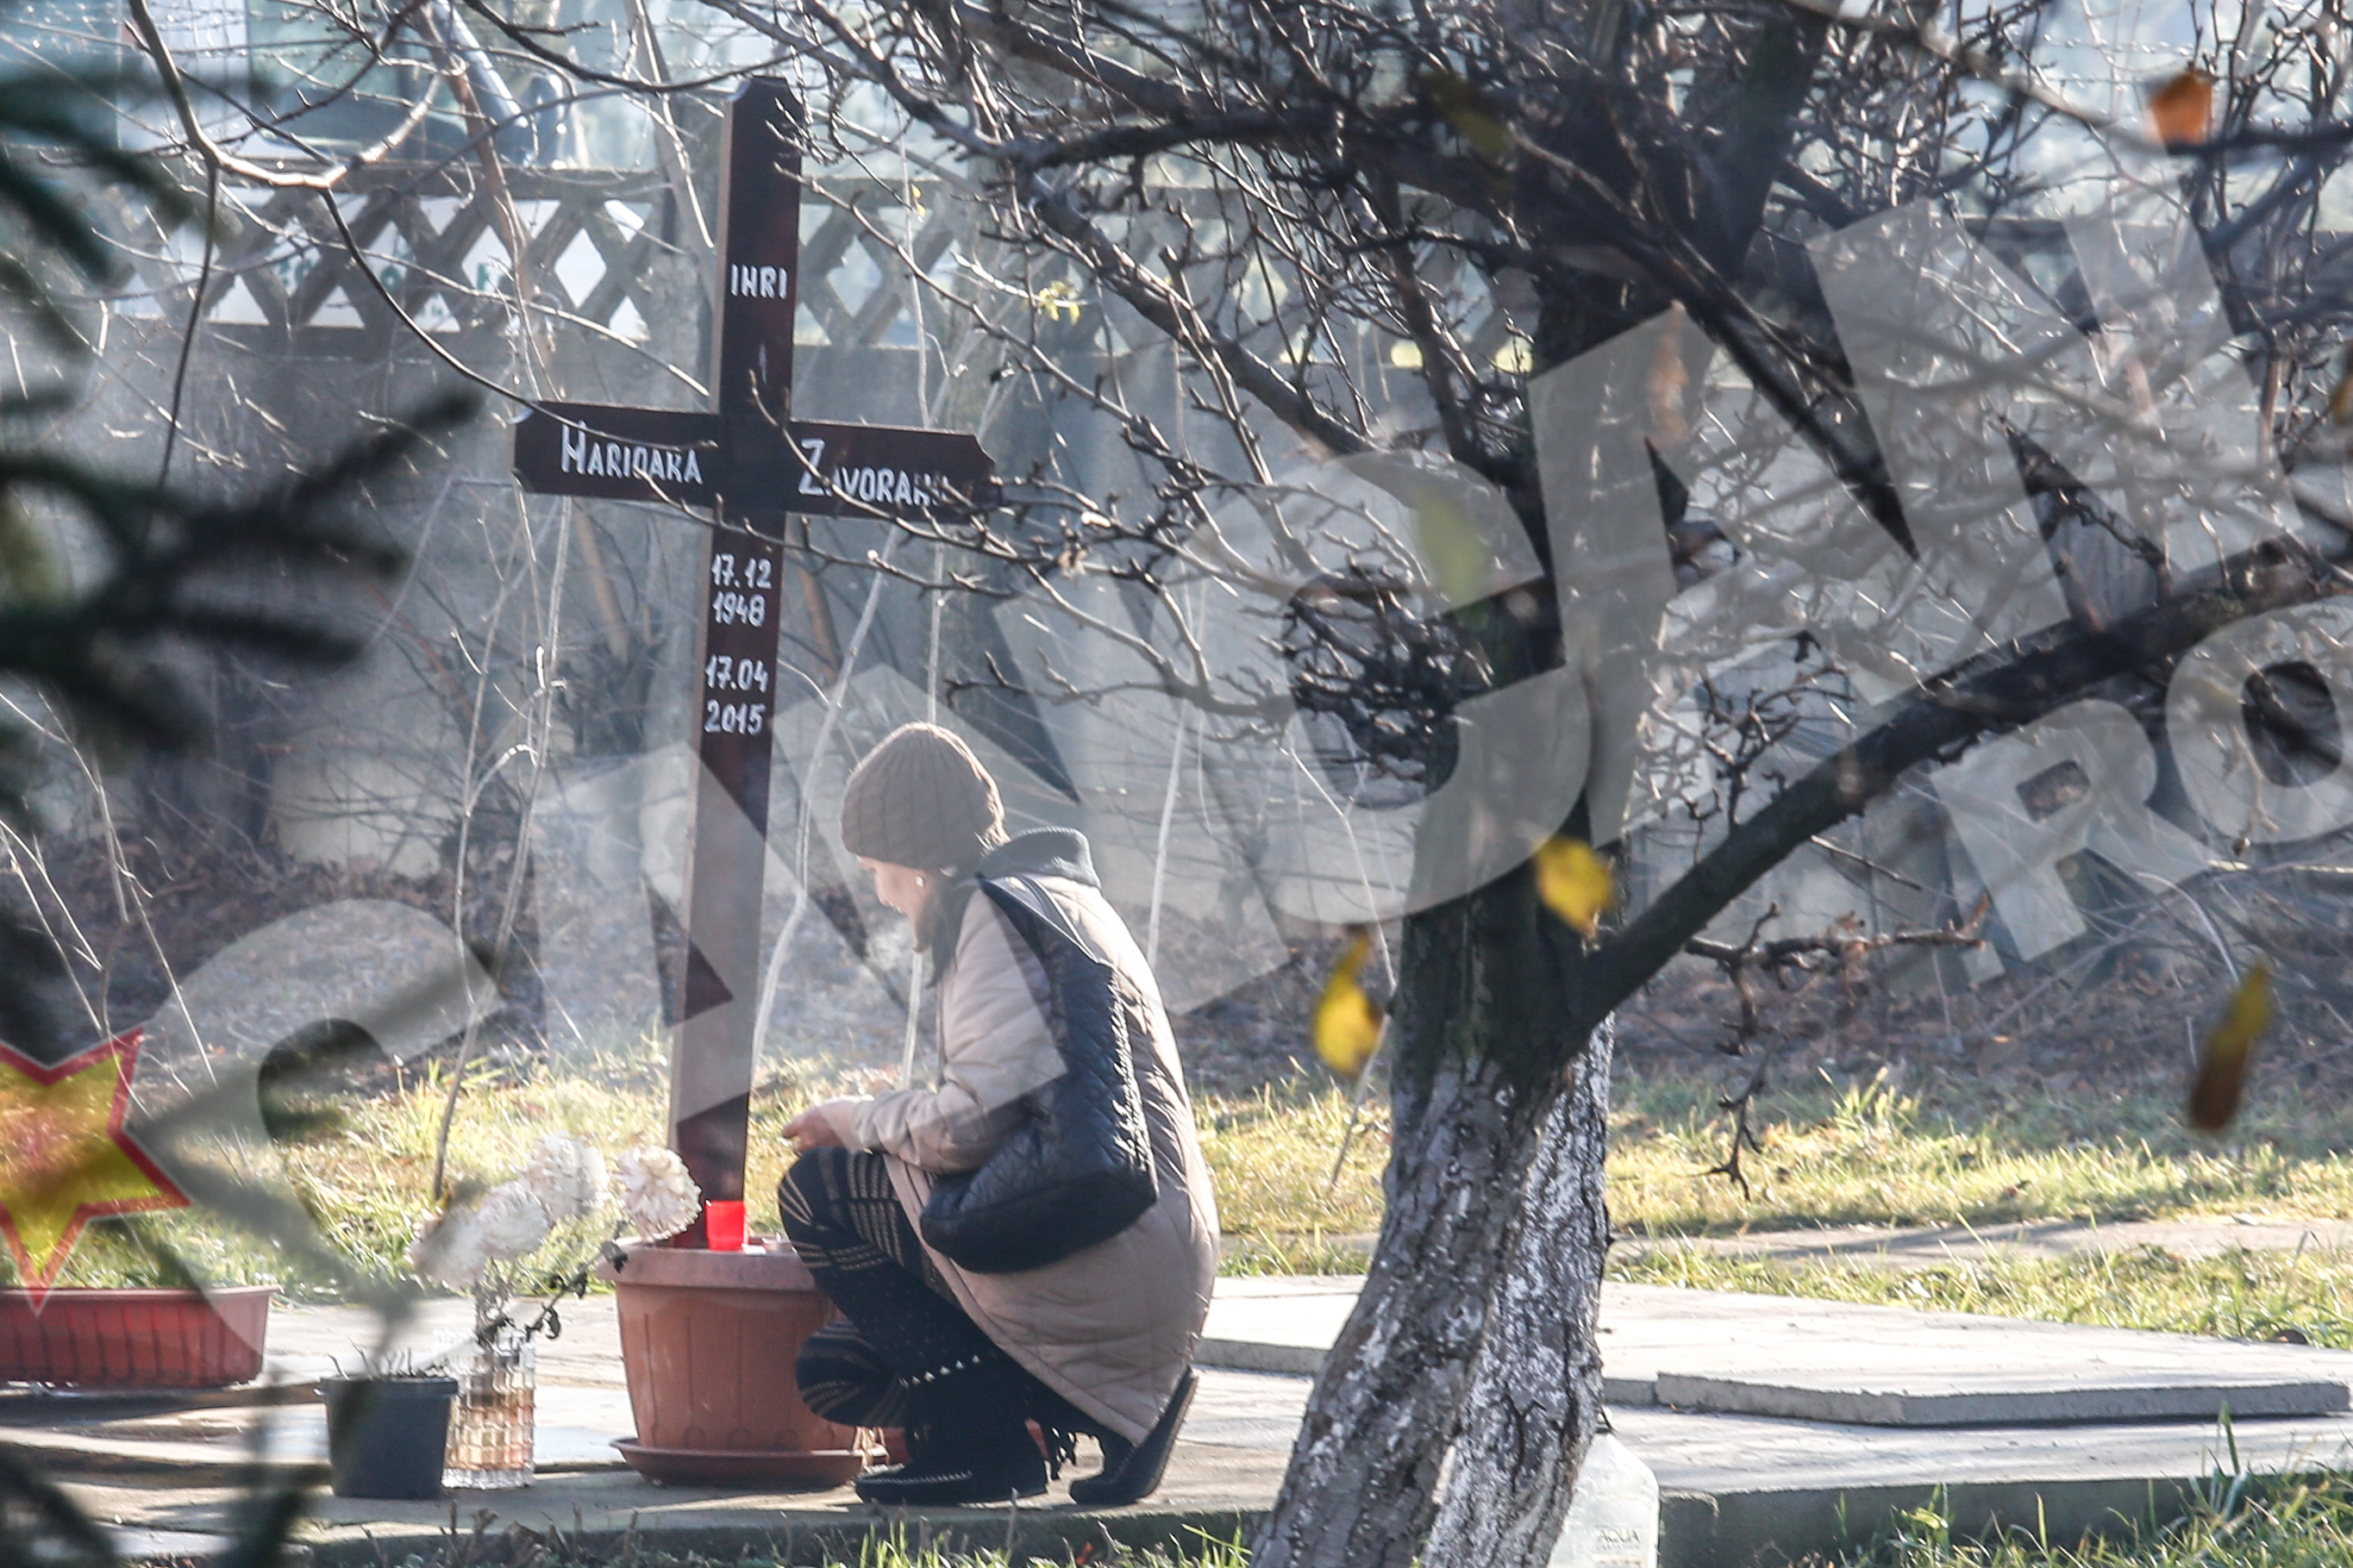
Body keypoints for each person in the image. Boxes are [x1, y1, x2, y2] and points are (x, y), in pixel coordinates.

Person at [778, 721, 1218, 1507]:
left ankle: (984, 1447)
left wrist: (855, 1117)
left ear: (915, 861)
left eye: (877, 867)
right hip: (1148, 1255)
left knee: (817, 1189)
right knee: (838, 1368)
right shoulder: (1066, 900)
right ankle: (1097, 1419)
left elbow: (969, 1126)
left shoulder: (983, 913)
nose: (879, 891)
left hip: (1103, 1251)